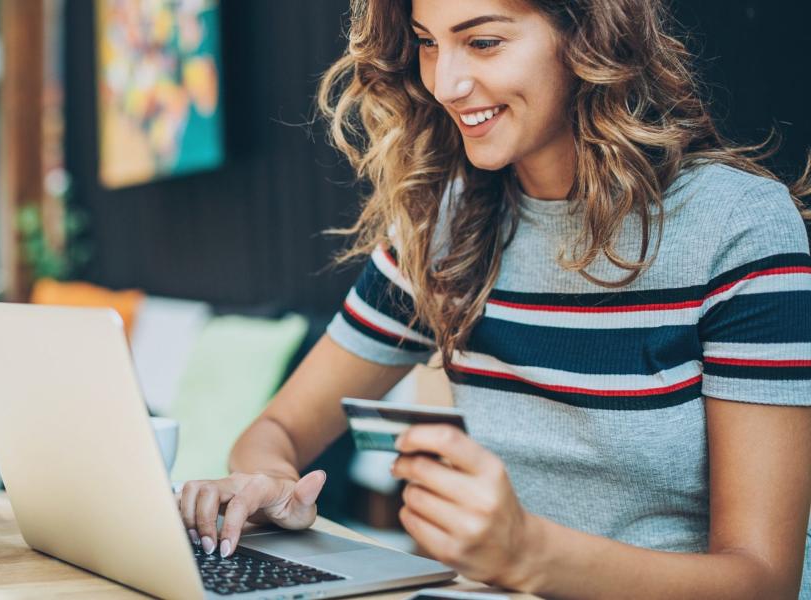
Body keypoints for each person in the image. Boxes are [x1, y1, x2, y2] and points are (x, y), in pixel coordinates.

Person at [179, 0, 811, 597]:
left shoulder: (737, 226)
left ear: (588, 37)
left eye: (483, 42)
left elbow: (764, 581)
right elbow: (278, 429)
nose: (446, 83)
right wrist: (272, 484)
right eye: (428, 44)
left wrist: (529, 553)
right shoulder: (442, 231)